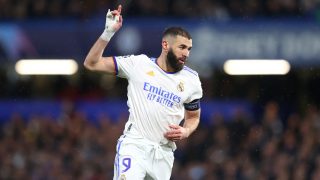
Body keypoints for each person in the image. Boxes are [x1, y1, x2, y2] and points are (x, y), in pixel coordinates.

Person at [84, 5, 203, 180]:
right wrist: (108, 33)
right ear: (165, 44)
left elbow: (193, 117)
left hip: (163, 154)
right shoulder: (138, 64)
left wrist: (186, 131)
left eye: (189, 49)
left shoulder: (192, 80)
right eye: (182, 47)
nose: (186, 53)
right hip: (135, 146)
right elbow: (91, 63)